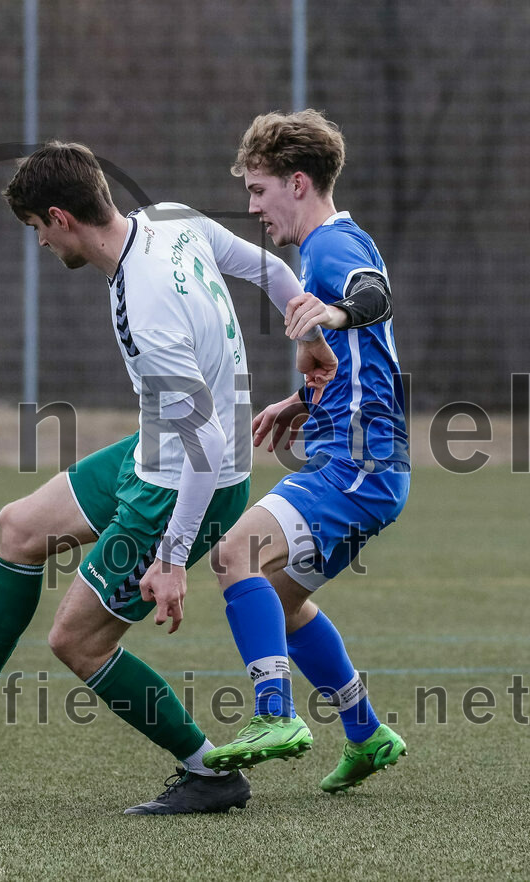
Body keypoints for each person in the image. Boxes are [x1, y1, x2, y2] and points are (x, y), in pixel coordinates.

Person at [0, 141, 336, 814]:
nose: (42, 246)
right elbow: (270, 271)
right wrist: (310, 343)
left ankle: (209, 773)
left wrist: (172, 559)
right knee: (19, 527)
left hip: (182, 483)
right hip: (155, 452)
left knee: (76, 640)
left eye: (36, 231)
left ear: (60, 217)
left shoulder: (148, 305)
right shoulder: (169, 219)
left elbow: (201, 440)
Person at [203, 110, 410, 793]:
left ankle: (275, 714)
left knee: (236, 555)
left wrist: (340, 312)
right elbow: (361, 356)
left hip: (357, 467)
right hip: (367, 468)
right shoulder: (333, 243)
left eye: (259, 191)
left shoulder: (327, 249)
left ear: (298, 182)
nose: (252, 207)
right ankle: (366, 733)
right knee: (280, 602)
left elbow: (372, 301)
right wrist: (299, 401)